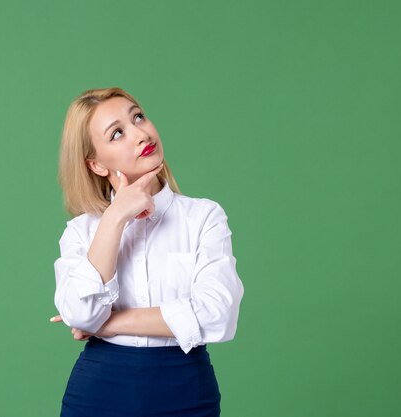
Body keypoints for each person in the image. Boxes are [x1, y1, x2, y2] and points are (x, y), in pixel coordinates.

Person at [50, 87, 244, 417]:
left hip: (185, 390)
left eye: (138, 116)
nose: (140, 133)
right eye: (117, 133)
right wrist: (115, 218)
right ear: (96, 164)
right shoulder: (81, 232)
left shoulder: (203, 216)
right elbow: (82, 314)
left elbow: (218, 315)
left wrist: (107, 324)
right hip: (98, 392)